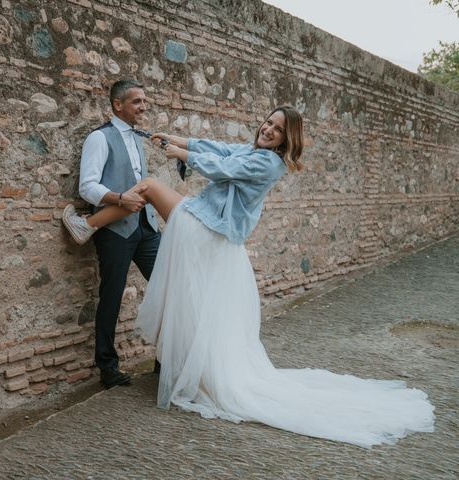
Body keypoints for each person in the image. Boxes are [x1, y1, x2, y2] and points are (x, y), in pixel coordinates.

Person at [63, 106, 435, 447]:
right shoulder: (254, 151)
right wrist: (177, 139)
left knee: (146, 186)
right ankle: (185, 366)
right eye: (268, 122)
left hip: (204, 226)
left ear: (288, 140)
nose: (268, 129)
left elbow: (224, 169)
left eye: (277, 129)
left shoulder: (270, 165)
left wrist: (185, 156)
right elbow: (222, 149)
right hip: (210, 226)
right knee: (190, 298)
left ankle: (87, 225)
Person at [64, 80, 161, 389]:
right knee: (112, 297)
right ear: (118, 105)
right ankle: (108, 367)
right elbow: (87, 187)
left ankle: (166, 357)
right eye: (137, 102)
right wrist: (119, 199)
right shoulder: (99, 138)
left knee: (169, 287)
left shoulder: (138, 137)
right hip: (116, 231)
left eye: (144, 101)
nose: (143, 107)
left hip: (147, 228)